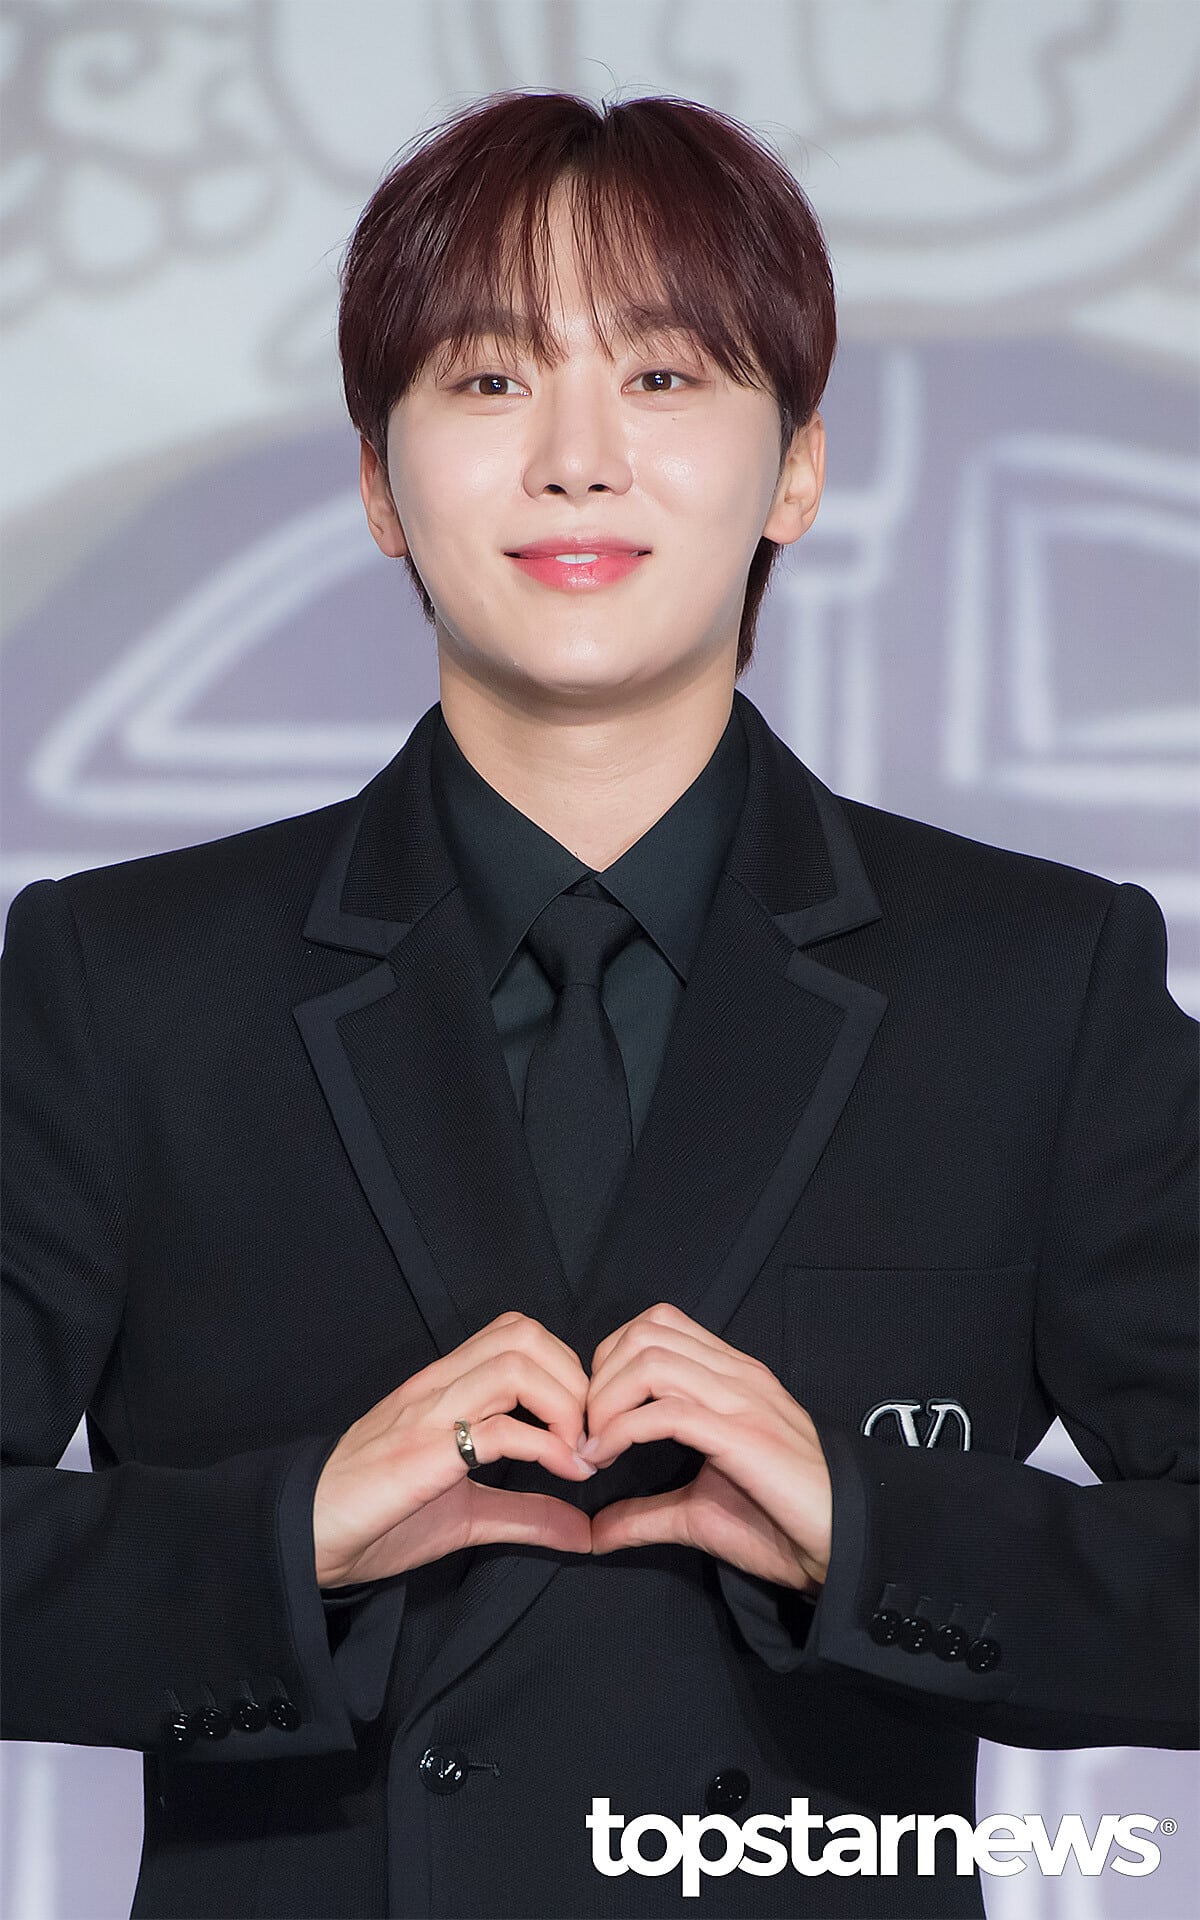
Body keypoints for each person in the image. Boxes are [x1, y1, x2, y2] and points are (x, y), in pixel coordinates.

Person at [2, 87, 1195, 1920]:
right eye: (488, 379)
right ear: (379, 483)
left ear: (796, 468)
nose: (576, 459)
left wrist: (870, 1531)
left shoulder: (1033, 979)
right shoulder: (124, 979)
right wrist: (284, 1539)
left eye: (662, 376)